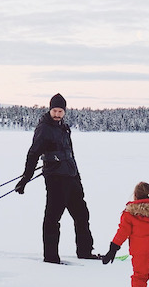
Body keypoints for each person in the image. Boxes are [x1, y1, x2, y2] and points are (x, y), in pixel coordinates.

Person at [14, 93, 99, 263]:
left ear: (64, 112)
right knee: (53, 218)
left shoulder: (64, 128)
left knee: (82, 215)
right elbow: (33, 154)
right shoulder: (44, 128)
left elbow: (70, 154)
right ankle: (51, 257)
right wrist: (26, 178)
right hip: (55, 179)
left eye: (60, 111)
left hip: (71, 176)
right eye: (55, 110)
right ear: (50, 109)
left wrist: (77, 176)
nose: (57, 114)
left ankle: (85, 252)